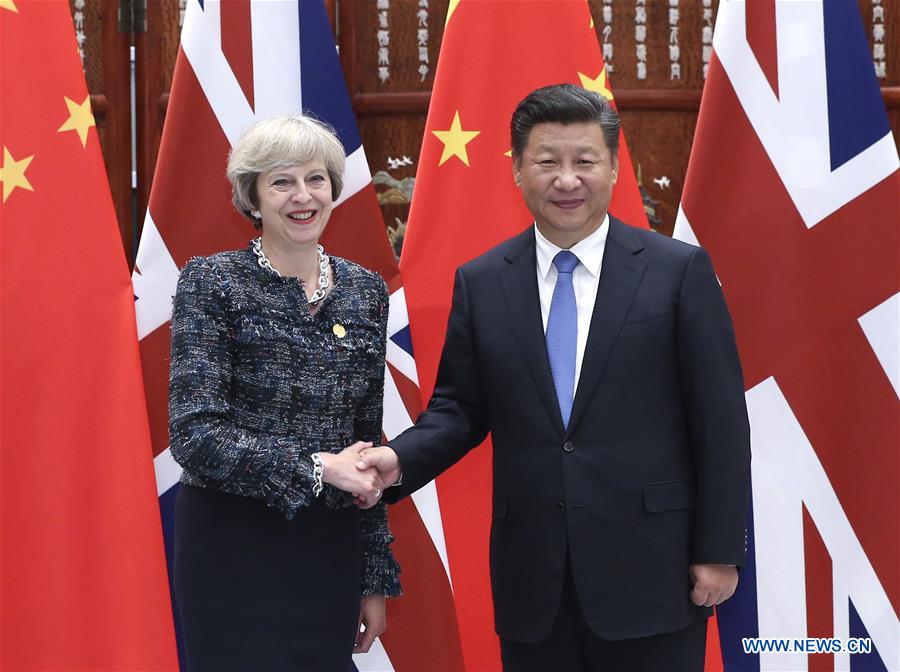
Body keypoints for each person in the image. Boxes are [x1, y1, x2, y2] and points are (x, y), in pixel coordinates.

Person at [358, 84, 751, 671]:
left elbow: (719, 422)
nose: (567, 180)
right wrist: (399, 460)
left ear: (614, 168)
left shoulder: (676, 272)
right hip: (533, 579)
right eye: (547, 162)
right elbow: (460, 409)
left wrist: (719, 551)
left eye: (584, 161)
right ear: (517, 171)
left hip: (653, 571)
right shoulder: (484, 281)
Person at [168, 113, 400, 671]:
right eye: (282, 182)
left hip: (329, 545)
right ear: (252, 197)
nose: (303, 196)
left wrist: (372, 577)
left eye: (316, 179)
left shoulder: (365, 290)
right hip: (233, 544)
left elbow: (364, 447)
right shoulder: (212, 281)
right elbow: (194, 435)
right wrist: (318, 467)